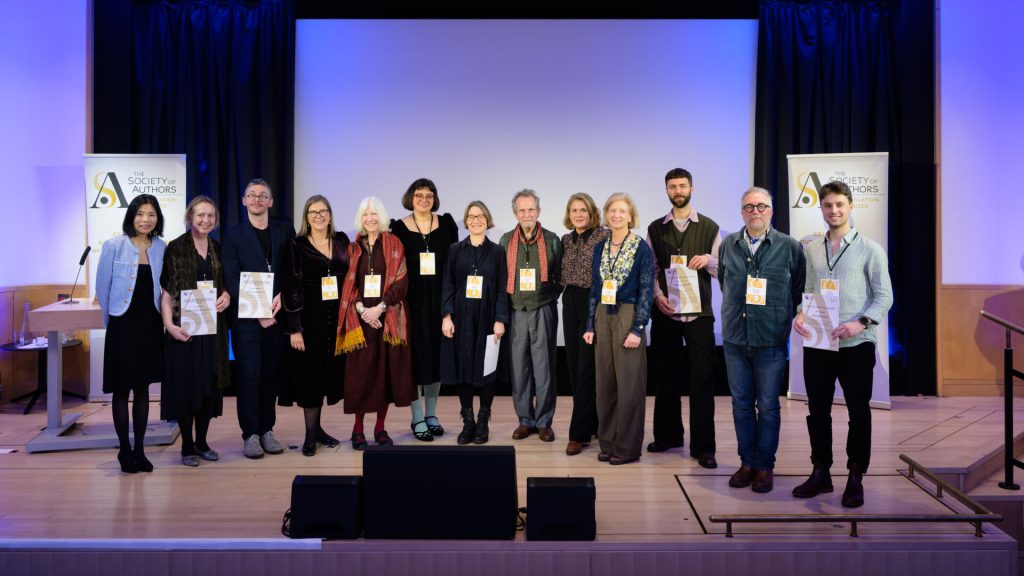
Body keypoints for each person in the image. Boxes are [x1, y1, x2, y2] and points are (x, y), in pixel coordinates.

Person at [792, 180, 893, 507]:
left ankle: (855, 475)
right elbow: (807, 289)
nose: (833, 211)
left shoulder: (870, 249)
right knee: (817, 412)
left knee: (858, 413)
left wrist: (859, 322)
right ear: (821, 208)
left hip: (857, 345)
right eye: (827, 206)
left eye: (839, 205)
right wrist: (800, 315)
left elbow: (884, 297)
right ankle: (821, 472)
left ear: (850, 207)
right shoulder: (811, 249)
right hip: (819, 345)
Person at [718, 186, 805, 493]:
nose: (755, 211)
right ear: (742, 212)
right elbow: (726, 286)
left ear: (771, 210)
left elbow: (798, 290)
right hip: (735, 339)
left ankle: (765, 466)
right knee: (741, 405)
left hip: (770, 339)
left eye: (761, 206)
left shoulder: (790, 247)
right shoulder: (728, 244)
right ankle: (747, 462)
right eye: (749, 207)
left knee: (767, 406)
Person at [646, 168, 722, 469]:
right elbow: (650, 268)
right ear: (666, 191)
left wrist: (709, 261)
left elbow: (721, 268)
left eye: (682, 186)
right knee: (666, 377)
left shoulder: (710, 227)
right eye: (672, 187)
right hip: (666, 313)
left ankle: (704, 447)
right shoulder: (654, 228)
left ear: (691, 187)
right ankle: (668, 436)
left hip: (699, 314)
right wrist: (657, 296)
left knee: (702, 380)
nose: (678, 191)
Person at [222, 178, 296, 459]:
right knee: (250, 376)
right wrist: (259, 312)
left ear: (271, 201)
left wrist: (283, 299)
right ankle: (250, 434)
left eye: (262, 195)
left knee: (271, 376)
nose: (256, 200)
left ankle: (267, 429)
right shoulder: (233, 235)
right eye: (251, 195)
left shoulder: (284, 231)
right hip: (247, 322)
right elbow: (231, 277)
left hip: (277, 318)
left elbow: (291, 272)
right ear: (243, 201)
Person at [336, 196, 415, 449]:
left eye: (374, 214)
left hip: (387, 320)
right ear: (361, 219)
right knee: (361, 377)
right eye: (365, 215)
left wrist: (380, 308)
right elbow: (350, 285)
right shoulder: (352, 247)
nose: (370, 219)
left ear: (381, 217)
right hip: (360, 323)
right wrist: (361, 309)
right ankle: (357, 430)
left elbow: (402, 282)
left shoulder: (394, 243)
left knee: (384, 377)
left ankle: (380, 428)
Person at [95, 194, 167, 473]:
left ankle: (140, 449)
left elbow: (164, 288)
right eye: (140, 214)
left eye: (151, 214)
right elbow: (103, 287)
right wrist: (110, 321)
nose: (145, 220)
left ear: (157, 218)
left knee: (143, 388)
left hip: (149, 324)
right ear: (131, 217)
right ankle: (124, 449)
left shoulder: (161, 246)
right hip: (122, 324)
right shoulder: (114, 245)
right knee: (121, 389)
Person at [583, 193, 654, 465]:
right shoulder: (601, 247)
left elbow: (647, 290)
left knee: (629, 386)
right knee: (605, 386)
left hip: (628, 314)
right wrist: (590, 323)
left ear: (630, 215)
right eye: (612, 210)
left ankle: (626, 448)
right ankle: (608, 443)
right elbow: (595, 288)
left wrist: (638, 328)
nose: (616, 215)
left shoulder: (640, 247)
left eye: (622, 211)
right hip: (603, 314)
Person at [160, 195, 231, 467]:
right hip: (185, 330)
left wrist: (227, 296)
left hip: (213, 330)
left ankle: (202, 442)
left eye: (210, 216)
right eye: (200, 215)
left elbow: (225, 285)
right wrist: (169, 326)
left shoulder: (218, 248)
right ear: (190, 217)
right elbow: (166, 292)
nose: (205, 220)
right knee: (186, 386)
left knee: (209, 387)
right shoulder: (175, 248)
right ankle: (187, 446)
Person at [280, 195, 351, 456]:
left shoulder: (342, 240)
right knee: (309, 377)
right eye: (313, 212)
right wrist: (294, 328)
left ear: (330, 215)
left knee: (326, 375)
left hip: (337, 321)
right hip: (308, 321)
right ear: (306, 218)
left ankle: (319, 430)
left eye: (323, 211)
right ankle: (310, 435)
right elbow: (290, 288)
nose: (319, 216)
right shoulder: (296, 245)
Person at [390, 178, 459, 441]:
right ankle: (417, 417)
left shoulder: (448, 225)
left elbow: (452, 267)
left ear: (435, 198)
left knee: (436, 360)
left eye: (429, 195)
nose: (424, 200)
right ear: (411, 197)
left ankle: (432, 414)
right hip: (411, 304)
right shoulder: (398, 228)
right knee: (415, 362)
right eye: (419, 195)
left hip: (441, 302)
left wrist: (449, 308)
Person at [441, 201, 508, 444]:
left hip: (488, 318)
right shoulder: (455, 250)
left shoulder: (498, 252)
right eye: (471, 216)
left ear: (487, 220)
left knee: (487, 369)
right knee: (463, 368)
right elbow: (448, 284)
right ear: (466, 221)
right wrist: (446, 316)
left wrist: (500, 319)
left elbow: (502, 288)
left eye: (480, 216)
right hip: (460, 316)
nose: (476, 220)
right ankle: (467, 421)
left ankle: (483, 421)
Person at [499, 189, 563, 442]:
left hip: (543, 308)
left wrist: (548, 296)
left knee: (544, 367)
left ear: (539, 211)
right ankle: (525, 420)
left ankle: (544, 421)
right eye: (522, 210)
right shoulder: (505, 241)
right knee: (519, 369)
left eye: (531, 209)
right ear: (516, 213)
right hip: (516, 311)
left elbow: (560, 276)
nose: (527, 214)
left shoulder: (552, 239)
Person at [559, 193, 608, 456]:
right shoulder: (567, 239)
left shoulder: (603, 236)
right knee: (574, 364)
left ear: (592, 213)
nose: (578, 215)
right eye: (574, 210)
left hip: (593, 301)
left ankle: (577, 435)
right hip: (571, 301)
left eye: (583, 210)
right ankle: (592, 424)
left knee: (587, 368)